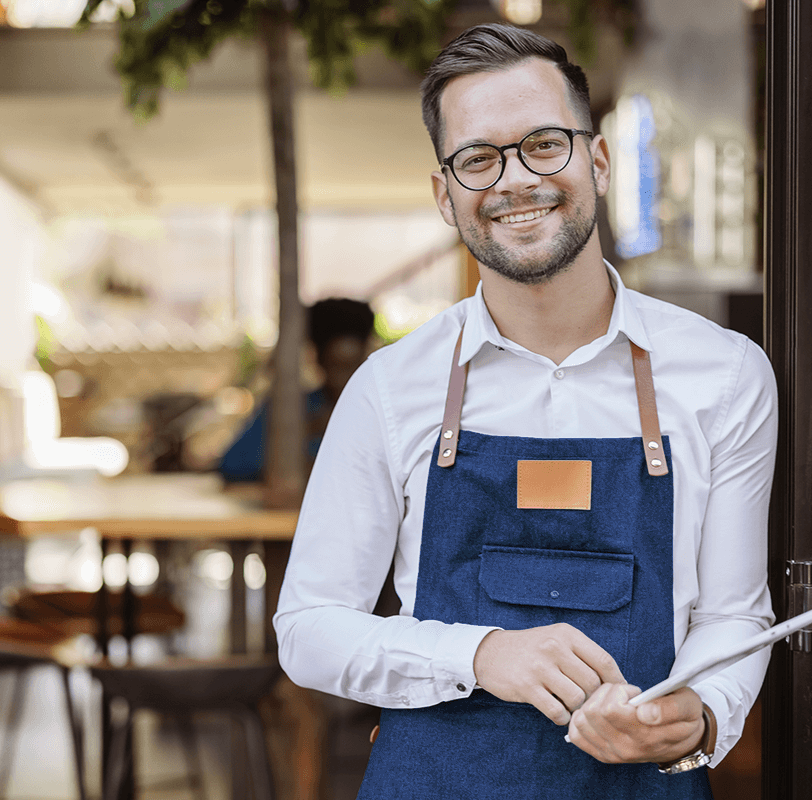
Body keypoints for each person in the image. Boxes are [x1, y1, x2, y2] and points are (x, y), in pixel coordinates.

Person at [273, 23, 776, 799]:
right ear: (446, 195)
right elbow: (308, 630)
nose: (515, 179)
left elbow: (735, 616)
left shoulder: (725, 375)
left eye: (545, 143)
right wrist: (482, 655)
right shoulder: (389, 389)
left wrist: (704, 712)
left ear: (598, 160)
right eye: (478, 158)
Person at [218, 298, 376, 482]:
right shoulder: (292, 409)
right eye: (337, 366)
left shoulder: (381, 412)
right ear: (317, 359)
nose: (346, 378)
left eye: (354, 365)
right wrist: (302, 431)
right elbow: (232, 465)